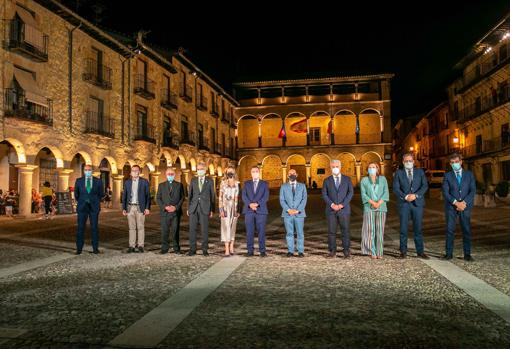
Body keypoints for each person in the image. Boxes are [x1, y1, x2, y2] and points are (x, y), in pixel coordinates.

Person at [392, 153, 429, 259]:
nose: (408, 162)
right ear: (403, 162)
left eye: (410, 161)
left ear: (413, 162)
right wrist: (405, 196)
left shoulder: (420, 172)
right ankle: (403, 251)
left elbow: (425, 185)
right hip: (404, 204)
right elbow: (396, 188)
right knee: (403, 228)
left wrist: (416, 195)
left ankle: (420, 251)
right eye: (406, 161)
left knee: (418, 228)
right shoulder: (398, 173)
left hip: (417, 204)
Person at [442, 153, 476, 261]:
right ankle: (448, 253)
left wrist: (464, 203)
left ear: (461, 162)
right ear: (450, 164)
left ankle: (467, 254)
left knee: (466, 230)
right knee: (450, 230)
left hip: (465, 206)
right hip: (451, 207)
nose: (454, 164)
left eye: (456, 162)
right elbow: (445, 192)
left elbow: (472, 190)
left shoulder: (469, 174)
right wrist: (456, 203)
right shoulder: (447, 175)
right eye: (452, 163)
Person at [321, 159, 353, 258]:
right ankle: (332, 251)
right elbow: (324, 194)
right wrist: (332, 204)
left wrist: (342, 205)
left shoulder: (347, 179)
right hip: (331, 210)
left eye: (337, 166)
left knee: (345, 230)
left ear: (340, 167)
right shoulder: (327, 180)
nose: (335, 168)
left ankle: (346, 250)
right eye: (333, 166)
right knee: (331, 231)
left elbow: (350, 193)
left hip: (344, 210)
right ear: (330, 167)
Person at [360, 162, 389, 259]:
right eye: (370, 167)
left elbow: (386, 192)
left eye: (374, 167)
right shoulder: (364, 180)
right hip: (369, 207)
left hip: (381, 207)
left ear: (377, 169)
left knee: (380, 230)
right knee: (370, 230)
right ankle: (372, 251)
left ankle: (379, 251)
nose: (372, 168)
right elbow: (363, 194)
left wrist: (379, 203)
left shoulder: (383, 179)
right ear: (367, 169)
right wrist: (373, 203)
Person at [187, 162, 215, 256]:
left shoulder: (210, 180)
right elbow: (190, 195)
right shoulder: (193, 180)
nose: (199, 170)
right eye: (198, 169)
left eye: (201, 169)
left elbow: (212, 196)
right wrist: (188, 208)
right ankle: (192, 249)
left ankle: (204, 250)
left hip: (205, 208)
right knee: (192, 229)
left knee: (204, 230)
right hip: (193, 208)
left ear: (205, 170)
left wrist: (212, 209)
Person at [74, 164, 104, 254]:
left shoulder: (98, 181)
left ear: (92, 171)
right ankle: (79, 249)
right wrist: (83, 200)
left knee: (94, 227)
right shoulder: (79, 181)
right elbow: (76, 194)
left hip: (94, 207)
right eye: (86, 170)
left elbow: (101, 194)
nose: (87, 171)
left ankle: (95, 248)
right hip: (82, 207)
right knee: (80, 228)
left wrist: (94, 200)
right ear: (84, 171)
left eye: (89, 170)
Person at [122, 165, 151, 253]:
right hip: (130, 207)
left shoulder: (144, 182)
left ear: (139, 172)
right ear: (131, 172)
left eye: (136, 170)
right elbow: (125, 196)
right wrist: (124, 208)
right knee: (131, 228)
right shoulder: (127, 182)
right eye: (133, 170)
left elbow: (148, 196)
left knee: (141, 227)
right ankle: (132, 246)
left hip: (140, 207)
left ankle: (141, 245)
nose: (134, 172)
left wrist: (147, 208)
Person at [242, 166, 269, 257]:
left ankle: (262, 250)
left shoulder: (264, 183)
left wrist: (257, 204)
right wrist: (250, 204)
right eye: (253, 171)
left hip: (261, 210)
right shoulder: (246, 183)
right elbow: (244, 196)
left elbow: (266, 196)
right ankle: (250, 250)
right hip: (249, 211)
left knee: (261, 231)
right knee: (249, 231)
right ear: (251, 173)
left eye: (256, 171)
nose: (255, 173)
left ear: (259, 172)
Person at [157, 167, 185, 254]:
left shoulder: (179, 185)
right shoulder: (161, 185)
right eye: (168, 174)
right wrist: (165, 207)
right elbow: (158, 198)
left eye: (172, 174)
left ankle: (176, 248)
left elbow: (182, 197)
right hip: (165, 212)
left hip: (175, 212)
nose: (170, 175)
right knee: (165, 231)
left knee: (175, 231)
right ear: (166, 175)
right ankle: (164, 248)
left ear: (174, 175)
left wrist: (176, 207)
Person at [280, 168, 307, 257]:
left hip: (299, 214)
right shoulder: (283, 186)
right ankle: (290, 251)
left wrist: (298, 210)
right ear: (288, 175)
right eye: (290, 173)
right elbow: (282, 200)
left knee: (300, 233)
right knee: (289, 233)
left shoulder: (302, 186)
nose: (292, 174)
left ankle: (300, 251)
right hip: (287, 214)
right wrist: (288, 210)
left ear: (296, 174)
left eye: (294, 173)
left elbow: (304, 199)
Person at [219, 166, 241, 256]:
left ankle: (232, 246)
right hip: (225, 207)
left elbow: (239, 198)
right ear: (226, 172)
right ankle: (226, 249)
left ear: (234, 172)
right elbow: (220, 197)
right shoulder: (223, 183)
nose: (230, 173)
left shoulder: (237, 183)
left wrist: (238, 210)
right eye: (228, 171)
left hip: (234, 208)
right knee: (225, 227)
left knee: (233, 226)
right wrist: (221, 210)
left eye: (232, 171)